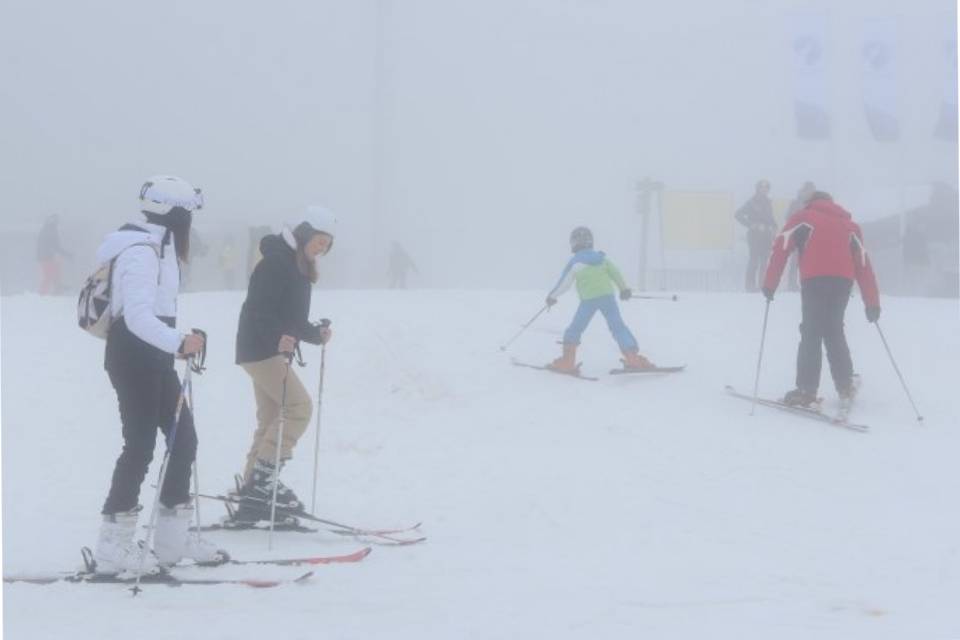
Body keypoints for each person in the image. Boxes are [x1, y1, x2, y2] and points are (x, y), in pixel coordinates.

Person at [93, 175, 226, 575]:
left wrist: (178, 341)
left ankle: (171, 539)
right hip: (133, 357)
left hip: (155, 357)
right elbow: (135, 317)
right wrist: (177, 341)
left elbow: (156, 313)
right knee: (140, 446)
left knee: (184, 439)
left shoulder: (161, 249)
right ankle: (112, 547)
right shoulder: (140, 252)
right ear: (177, 217)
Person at [233, 206, 335, 522]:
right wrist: (278, 337)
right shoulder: (276, 263)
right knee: (299, 407)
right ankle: (263, 485)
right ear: (304, 233)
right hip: (261, 349)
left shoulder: (296, 265)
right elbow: (257, 310)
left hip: (264, 349)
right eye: (319, 241)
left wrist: (314, 334)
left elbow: (291, 317)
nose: (322, 249)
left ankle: (253, 489)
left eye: (326, 245)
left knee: (272, 417)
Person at [762, 191, 880, 407]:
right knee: (834, 329)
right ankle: (845, 384)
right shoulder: (850, 226)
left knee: (812, 331)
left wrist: (770, 284)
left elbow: (781, 248)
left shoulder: (803, 218)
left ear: (811, 202)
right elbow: (863, 265)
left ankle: (806, 390)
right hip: (842, 282)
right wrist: (872, 303)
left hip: (815, 279)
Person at [544, 226, 654, 373]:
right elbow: (615, 273)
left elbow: (564, 283)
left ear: (574, 243)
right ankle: (633, 358)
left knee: (575, 328)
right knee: (618, 327)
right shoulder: (602, 258)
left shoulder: (575, 262)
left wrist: (552, 297)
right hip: (607, 297)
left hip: (588, 301)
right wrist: (624, 289)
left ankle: (567, 362)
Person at [735, 180, 777, 292]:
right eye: (762, 187)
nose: (764, 190)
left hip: (766, 236)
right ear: (757, 189)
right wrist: (751, 225)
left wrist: (774, 227)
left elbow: (771, 219)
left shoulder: (768, 203)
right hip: (755, 236)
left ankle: (762, 285)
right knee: (754, 260)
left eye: (766, 188)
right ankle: (750, 286)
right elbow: (737, 214)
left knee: (764, 261)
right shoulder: (751, 202)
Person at [784, 181, 817, 291]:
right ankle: (792, 284)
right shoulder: (796, 203)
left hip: (811, 235)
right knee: (795, 260)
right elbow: (788, 217)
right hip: (798, 234)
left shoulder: (815, 204)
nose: (810, 192)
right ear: (804, 190)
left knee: (810, 260)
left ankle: (807, 283)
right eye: (808, 190)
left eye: (812, 190)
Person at [36, 214, 71, 294]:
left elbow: (53, 245)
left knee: (56, 271)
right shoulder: (50, 230)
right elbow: (55, 246)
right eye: (56, 221)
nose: (57, 223)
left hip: (46, 256)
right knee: (49, 275)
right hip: (46, 257)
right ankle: (42, 294)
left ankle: (58, 289)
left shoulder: (47, 229)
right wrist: (66, 254)